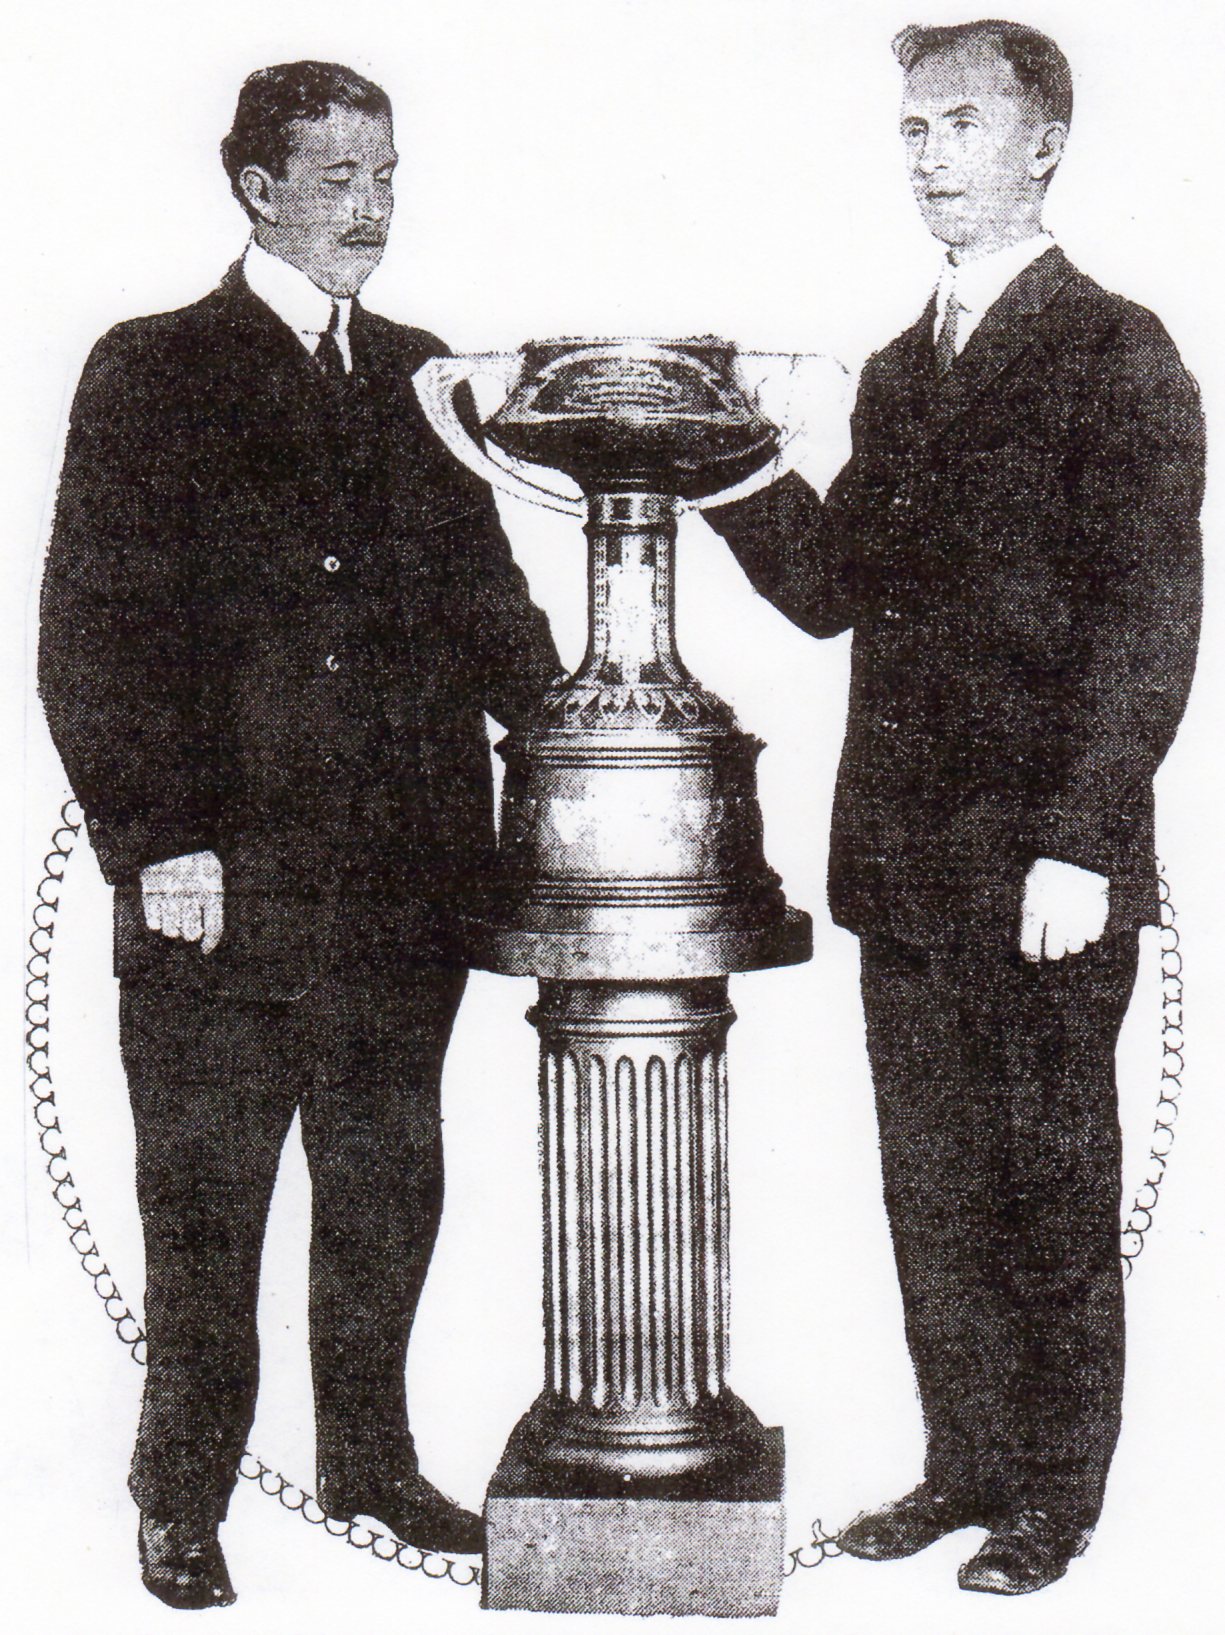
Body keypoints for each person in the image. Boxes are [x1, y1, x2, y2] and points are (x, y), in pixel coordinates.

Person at [39, 60, 560, 1610]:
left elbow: (489, 609)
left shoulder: (420, 374)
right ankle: (181, 1495)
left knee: (386, 1187)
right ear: (257, 188)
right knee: (209, 1210)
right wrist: (160, 840)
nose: (372, 210)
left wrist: (573, 732)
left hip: (406, 892)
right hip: (223, 894)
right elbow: (90, 628)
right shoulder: (151, 368)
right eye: (340, 181)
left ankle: (372, 1462)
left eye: (387, 178)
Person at [704, 19, 1203, 1597]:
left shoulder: (1119, 351)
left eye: (958, 125)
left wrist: (1079, 838)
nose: (923, 154)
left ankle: (1054, 1502)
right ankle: (963, 1468)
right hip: (908, 871)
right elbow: (833, 591)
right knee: (930, 1188)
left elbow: (1147, 624)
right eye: (911, 127)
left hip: (1043, 871)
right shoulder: (907, 365)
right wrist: (717, 461)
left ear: (1042, 142)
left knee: (1048, 1186)